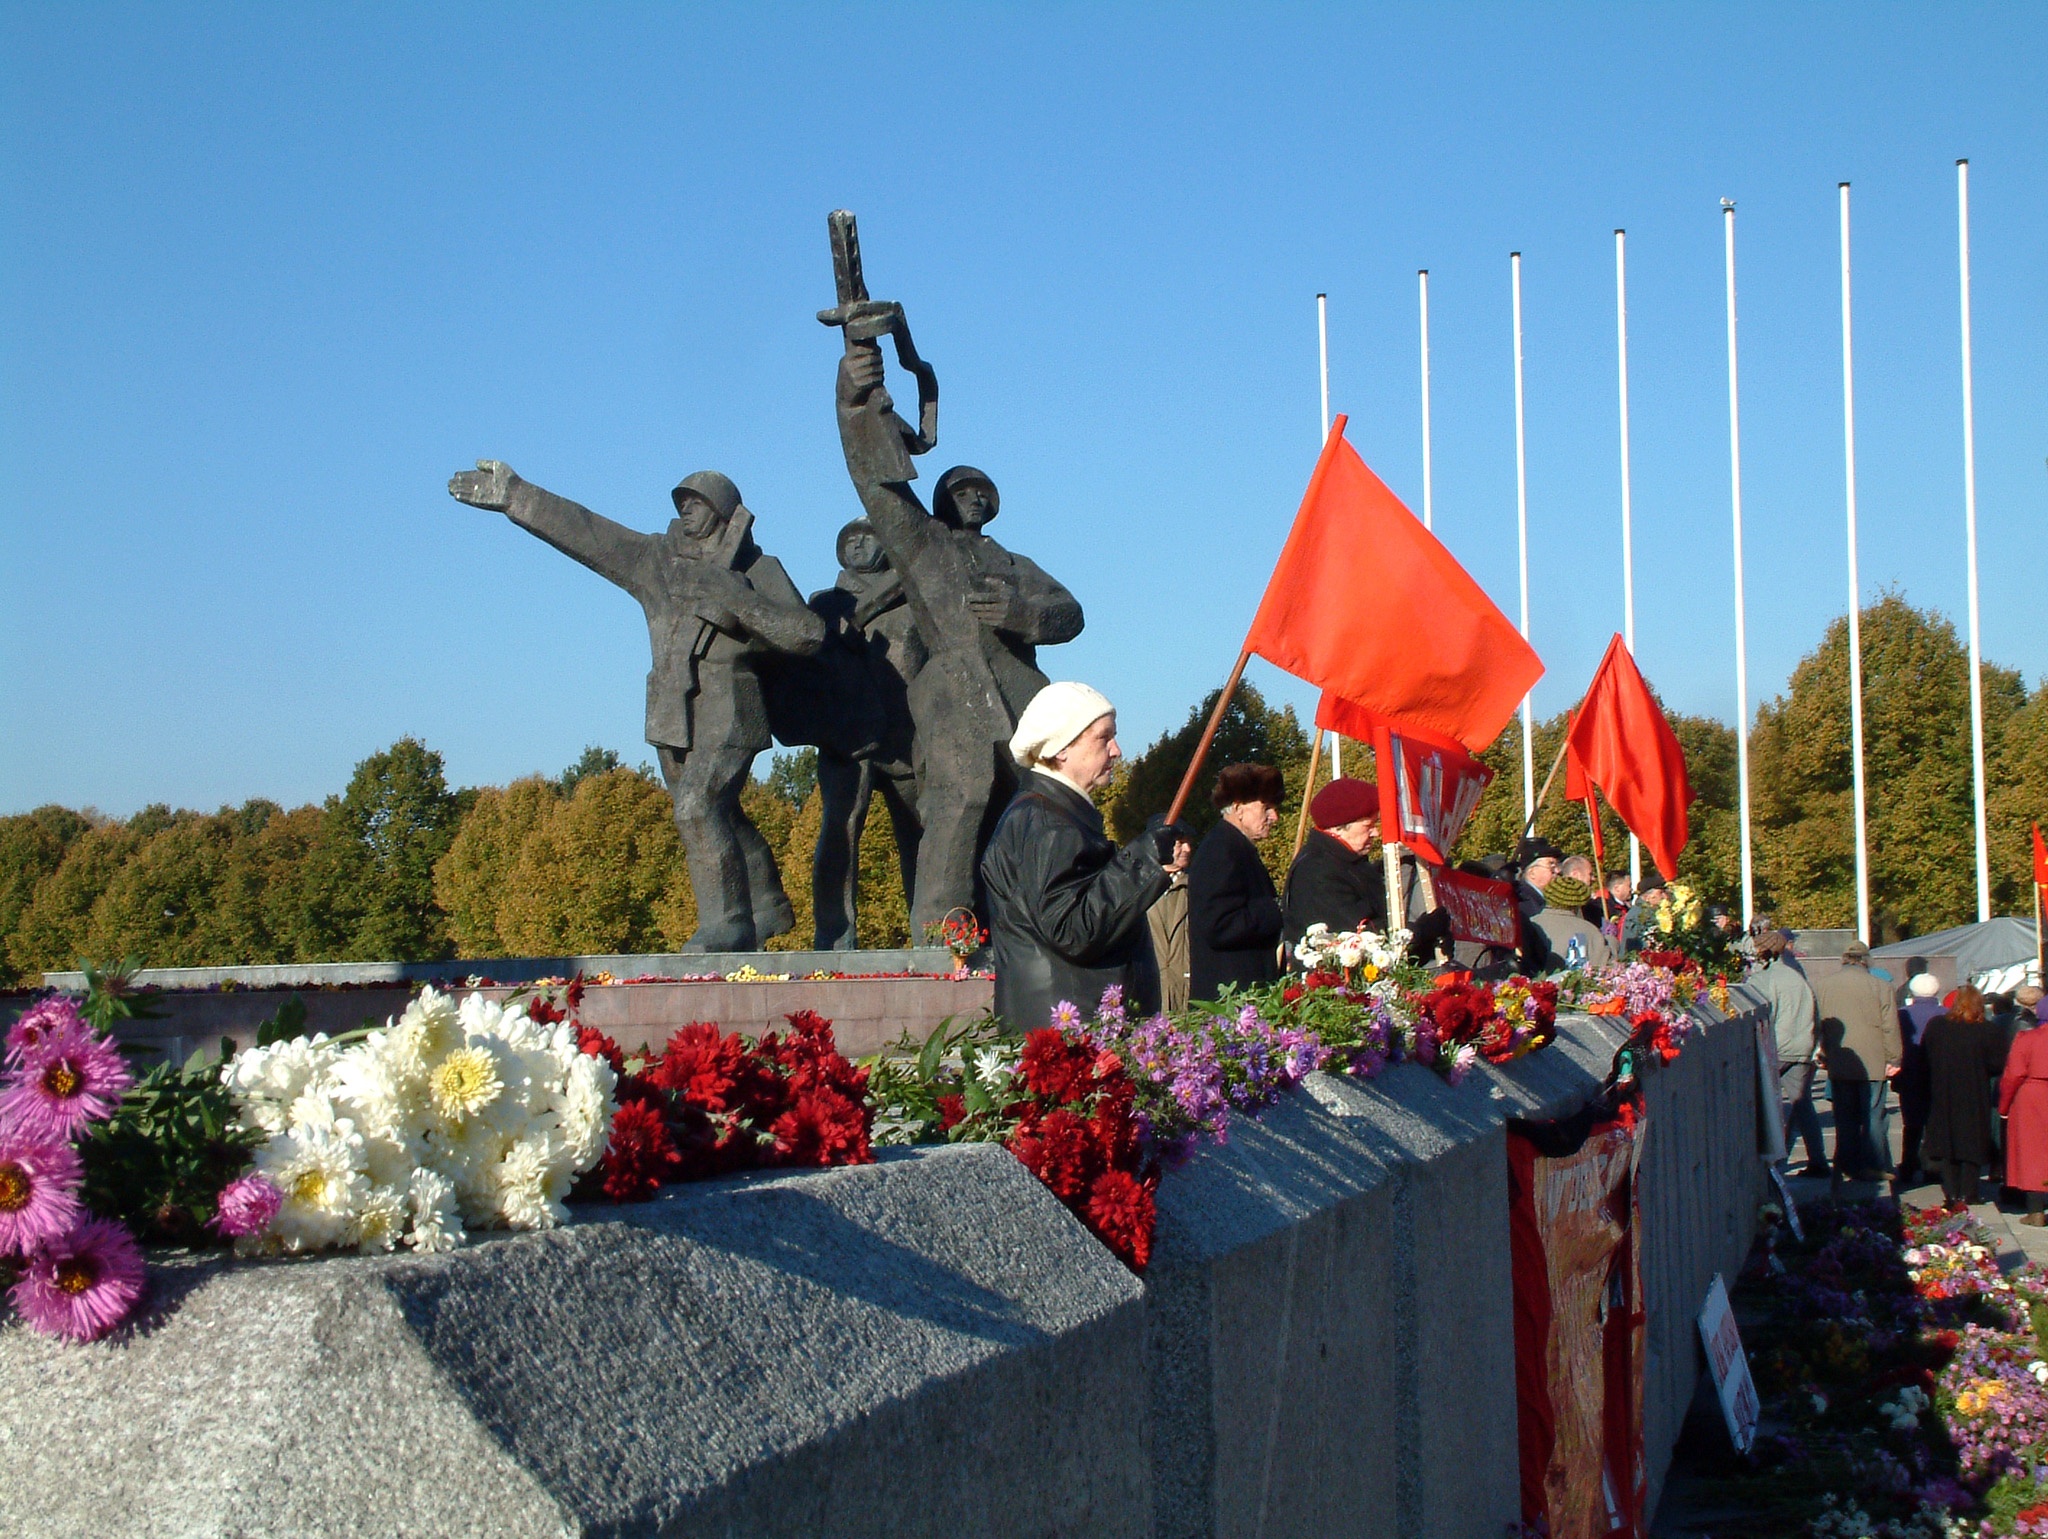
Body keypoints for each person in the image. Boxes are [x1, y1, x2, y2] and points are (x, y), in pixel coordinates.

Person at [448, 460, 825, 950]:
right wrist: (516, 496)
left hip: (731, 705)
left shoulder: (757, 570)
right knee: (718, 814)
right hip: (671, 708)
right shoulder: (658, 562)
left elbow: (808, 634)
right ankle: (766, 906)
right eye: (682, 503)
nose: (687, 510)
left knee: (696, 809)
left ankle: (727, 924)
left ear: (724, 512)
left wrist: (739, 604)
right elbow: (590, 534)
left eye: (698, 503)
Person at [981, 683, 1170, 1033]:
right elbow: (1073, 929)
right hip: (1072, 1039)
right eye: (1104, 738)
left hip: (1071, 1031)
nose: (1117, 750)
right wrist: (1144, 858)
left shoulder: (1053, 815)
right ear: (1062, 748)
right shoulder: (1046, 823)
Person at [1188, 763, 1286, 1000]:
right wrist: (1275, 910)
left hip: (1242, 996)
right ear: (1239, 808)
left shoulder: (1236, 848)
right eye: (1266, 807)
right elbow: (1218, 924)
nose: (1274, 816)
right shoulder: (1221, 851)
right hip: (1229, 1000)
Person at [1816, 940, 1904, 1182]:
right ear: (1866, 960)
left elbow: (1819, 1025)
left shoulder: (1824, 986)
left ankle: (1846, 1163)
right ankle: (1875, 1164)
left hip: (1840, 1060)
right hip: (1873, 1062)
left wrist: (1823, 1053)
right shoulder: (1881, 986)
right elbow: (1890, 1027)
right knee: (1873, 1115)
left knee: (1844, 1117)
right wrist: (1894, 1057)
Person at [1923, 985, 2008, 1206]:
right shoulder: (1987, 1030)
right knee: (1972, 1142)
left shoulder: (1937, 1026)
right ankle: (1969, 1192)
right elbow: (1998, 1063)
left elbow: (1925, 1054)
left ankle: (1951, 1192)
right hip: (1974, 1091)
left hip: (1943, 1090)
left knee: (1947, 1141)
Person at [1281, 779, 1386, 954]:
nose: (1376, 832)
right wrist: (1415, 932)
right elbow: (1357, 937)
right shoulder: (1318, 872)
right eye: (1368, 826)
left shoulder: (1344, 861)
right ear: (1337, 829)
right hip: (1334, 977)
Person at [1753, 930, 1826, 1176]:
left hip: (1777, 1047)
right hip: (1802, 1047)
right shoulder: (1797, 977)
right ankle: (1818, 1160)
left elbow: (1761, 1015)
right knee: (1803, 1105)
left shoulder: (1764, 979)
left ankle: (1770, 1163)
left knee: (1765, 1104)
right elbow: (1816, 1012)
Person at [2000, 993, 2048, 1224]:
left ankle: (2036, 1208)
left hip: (2032, 1094)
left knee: (2034, 1151)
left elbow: (2013, 1075)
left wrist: (2004, 1105)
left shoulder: (2027, 1038)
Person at [1896, 972, 1944, 1188]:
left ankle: (1908, 1164)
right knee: (1934, 1121)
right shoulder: (1946, 1014)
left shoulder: (1902, 1014)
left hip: (1909, 1073)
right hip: (1938, 1074)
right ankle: (1932, 1166)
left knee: (1911, 1122)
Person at [1145, 820, 1195, 1013]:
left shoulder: (1196, 888)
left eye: (1189, 842)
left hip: (1188, 998)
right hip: (1150, 1000)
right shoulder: (1137, 890)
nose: (1188, 849)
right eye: (1180, 842)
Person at [1529, 875, 1615, 972]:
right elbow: (1605, 969)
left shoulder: (1531, 923)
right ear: (1579, 903)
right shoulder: (1590, 930)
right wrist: (1612, 941)